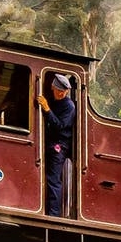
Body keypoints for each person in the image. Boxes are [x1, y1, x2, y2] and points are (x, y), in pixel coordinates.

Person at [38, 73, 76, 217]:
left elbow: (59, 126)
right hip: (49, 142)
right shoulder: (53, 100)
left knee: (53, 180)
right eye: (59, 90)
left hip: (59, 146)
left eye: (64, 92)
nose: (61, 93)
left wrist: (47, 110)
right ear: (53, 87)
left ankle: (54, 214)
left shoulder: (69, 106)